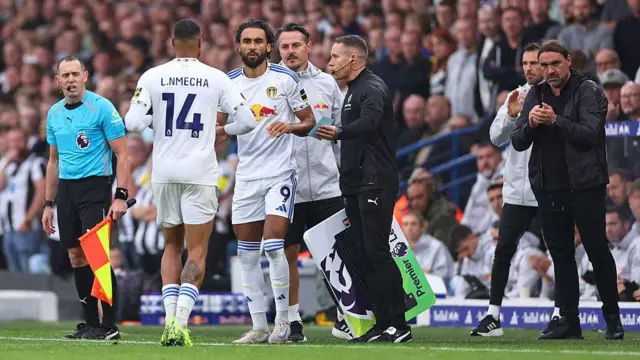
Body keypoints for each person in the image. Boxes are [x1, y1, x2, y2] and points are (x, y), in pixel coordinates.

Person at [124, 19, 258, 346]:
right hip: (200, 171)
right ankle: (180, 322)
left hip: (164, 172)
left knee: (171, 245)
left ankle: (169, 320)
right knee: (197, 248)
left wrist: (161, 123)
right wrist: (220, 131)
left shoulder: (152, 76)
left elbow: (132, 121)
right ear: (200, 45)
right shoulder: (216, 78)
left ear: (172, 43)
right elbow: (248, 120)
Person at [511, 40, 624, 340]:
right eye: (543, 64)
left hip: (585, 186)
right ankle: (568, 321)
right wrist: (533, 124)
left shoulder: (590, 91)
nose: (549, 70)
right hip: (549, 187)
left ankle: (612, 318)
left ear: (568, 61)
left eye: (554, 64)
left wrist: (555, 121)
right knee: (560, 255)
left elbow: (589, 134)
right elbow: (518, 141)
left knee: (597, 250)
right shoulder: (536, 92)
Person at [223, 19, 316, 344]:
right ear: (238, 46)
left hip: (280, 174)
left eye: (258, 41)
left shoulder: (286, 79)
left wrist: (288, 127)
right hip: (247, 177)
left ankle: (283, 323)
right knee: (247, 255)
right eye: (246, 41)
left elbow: (309, 121)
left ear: (268, 46)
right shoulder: (228, 83)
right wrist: (235, 129)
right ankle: (259, 327)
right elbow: (217, 129)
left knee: (275, 245)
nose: (252, 47)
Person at [317, 35, 410, 343]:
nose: (330, 63)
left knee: (377, 253)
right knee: (367, 256)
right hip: (359, 183)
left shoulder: (370, 87)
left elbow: (369, 122)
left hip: (374, 182)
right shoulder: (353, 90)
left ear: (353, 60)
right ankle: (383, 323)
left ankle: (399, 324)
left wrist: (340, 132)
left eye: (335, 57)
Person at [41, 55, 132, 340]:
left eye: (75, 74)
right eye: (65, 75)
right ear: (58, 81)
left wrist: (121, 196)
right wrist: (47, 204)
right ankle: (91, 323)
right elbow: (53, 162)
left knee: (97, 256)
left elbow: (123, 154)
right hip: (67, 190)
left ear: (85, 76)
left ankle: (111, 325)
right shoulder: (54, 113)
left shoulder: (102, 108)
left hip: (95, 187)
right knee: (75, 256)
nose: (70, 80)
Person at [275, 22, 349, 342]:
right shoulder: (270, 83)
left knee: (338, 253)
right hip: (286, 186)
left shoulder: (328, 84)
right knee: (286, 254)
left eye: (296, 45)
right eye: (284, 46)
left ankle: (348, 315)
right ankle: (292, 323)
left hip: (326, 184)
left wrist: (347, 175)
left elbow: (340, 134)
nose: (290, 51)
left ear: (308, 46)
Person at [471, 42, 544, 337]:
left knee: (561, 251)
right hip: (515, 189)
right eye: (525, 63)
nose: (528, 68)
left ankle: (563, 314)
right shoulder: (516, 94)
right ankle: (493, 316)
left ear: (546, 65)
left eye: (534, 63)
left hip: (547, 189)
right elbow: (494, 136)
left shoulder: (557, 95)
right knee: (503, 252)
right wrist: (513, 113)